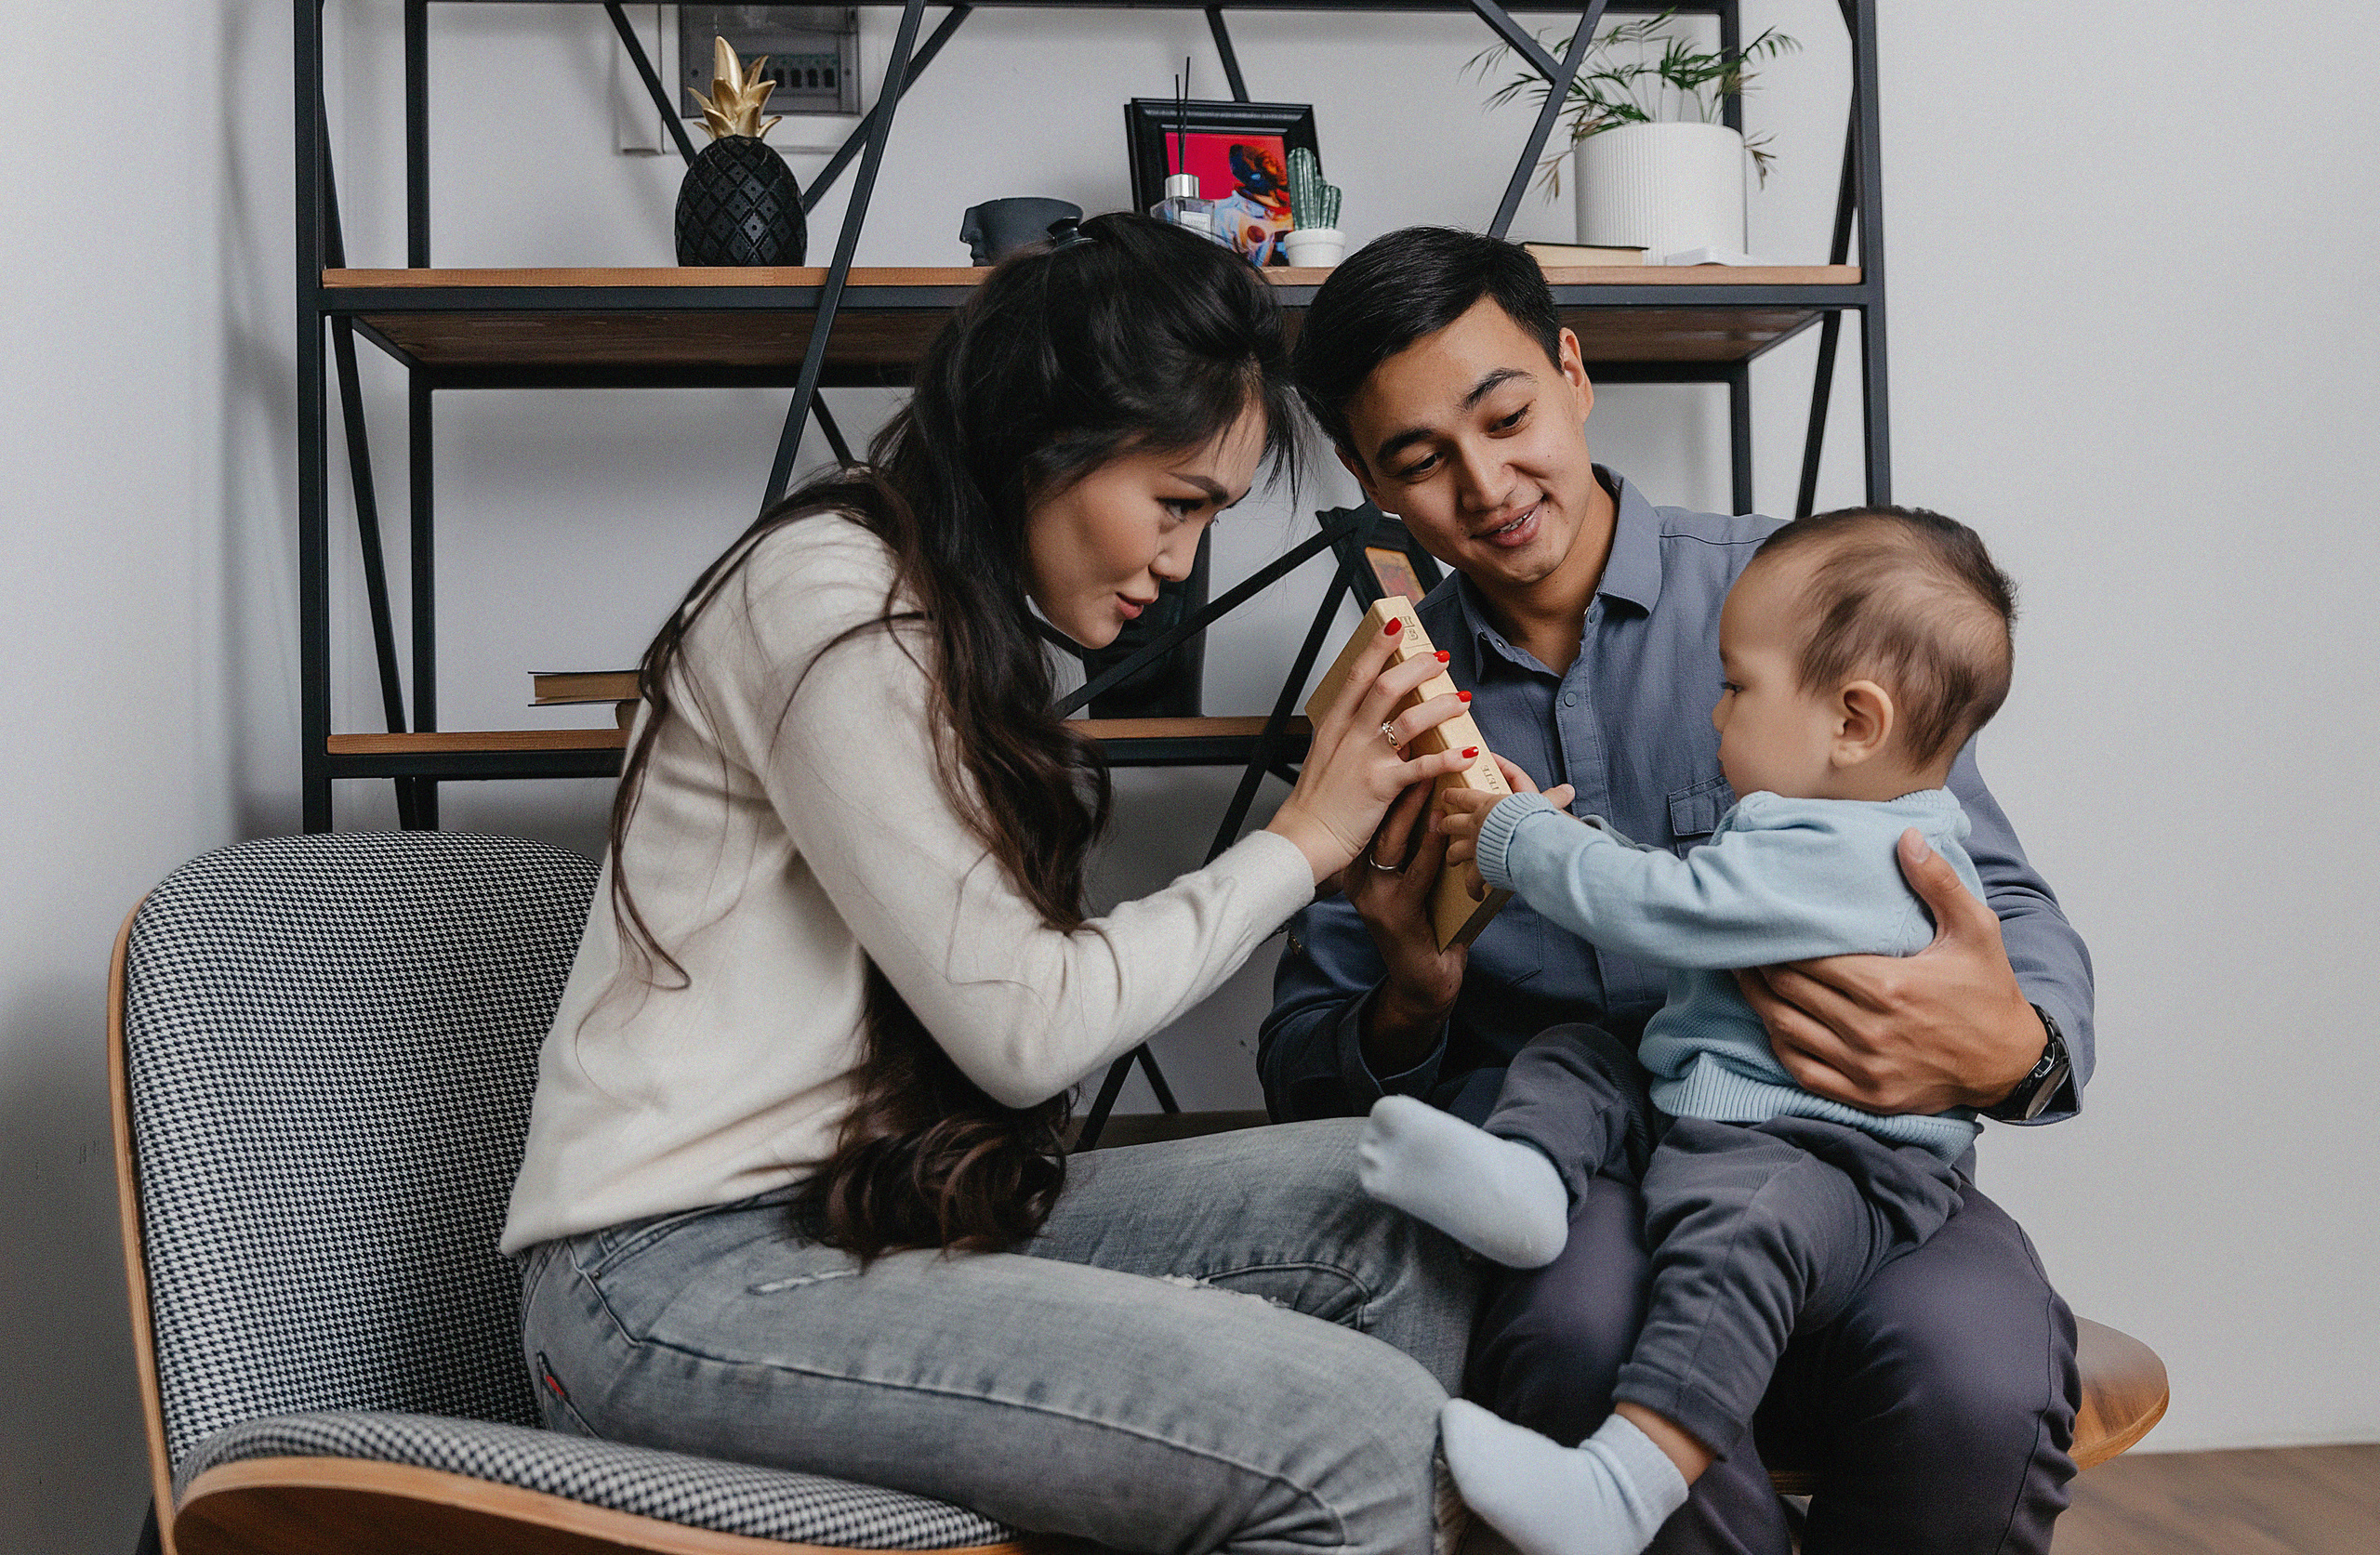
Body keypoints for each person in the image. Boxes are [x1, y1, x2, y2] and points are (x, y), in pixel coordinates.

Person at [502, 214, 1485, 1555]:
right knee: (1358, 1433)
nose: (1185, 562)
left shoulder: (954, 619)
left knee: (1404, 1201)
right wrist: (1302, 837)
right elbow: (1028, 1028)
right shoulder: (827, 600)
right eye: (1177, 501)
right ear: (1050, 440)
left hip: (865, 1225)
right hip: (672, 1279)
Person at [1263, 228, 2092, 1555]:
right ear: (1372, 484)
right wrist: (1413, 997)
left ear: (1574, 373)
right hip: (1572, 1160)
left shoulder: (1801, 602)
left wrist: (2014, 1048)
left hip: (1842, 1136)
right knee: (1579, 1338)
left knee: (1977, 1383)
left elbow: (1998, 896)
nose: (1487, 484)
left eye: (1508, 414)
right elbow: (1305, 1065)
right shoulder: (1382, 712)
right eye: (1418, 460)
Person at [1364, 506, 2027, 1555]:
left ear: (1855, 723)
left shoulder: (1851, 844)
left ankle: (1627, 1483)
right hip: (1716, 1098)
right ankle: (1530, 1183)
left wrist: (1520, 839)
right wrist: (1569, 836)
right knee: (1575, 1055)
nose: (1713, 715)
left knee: (1734, 1245)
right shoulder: (1819, 817)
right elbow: (1694, 892)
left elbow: (1666, 907)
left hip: (1824, 1155)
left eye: (1735, 688)